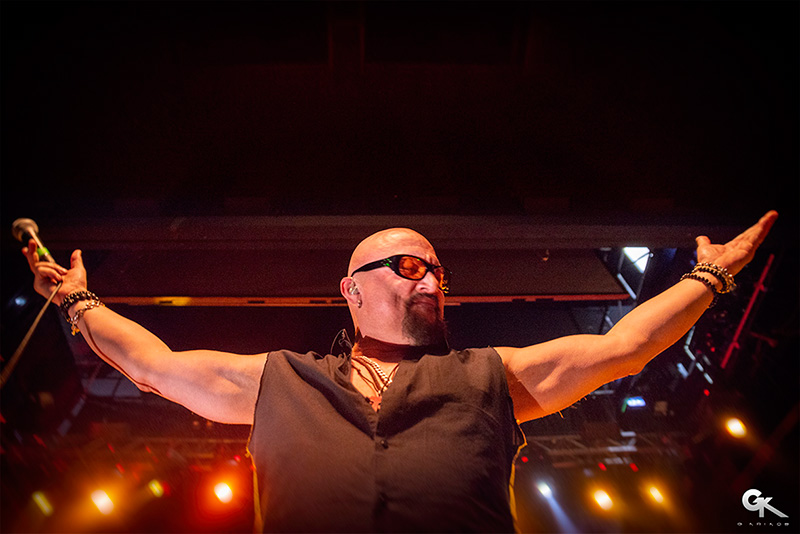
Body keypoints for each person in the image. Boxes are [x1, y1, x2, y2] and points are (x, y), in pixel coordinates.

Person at [23, 211, 777, 532]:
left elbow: (625, 348)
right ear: (352, 290)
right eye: (411, 266)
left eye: (438, 270)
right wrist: (79, 300)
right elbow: (152, 365)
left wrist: (709, 277)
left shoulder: (492, 376)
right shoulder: (280, 381)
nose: (432, 279)